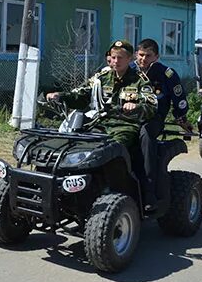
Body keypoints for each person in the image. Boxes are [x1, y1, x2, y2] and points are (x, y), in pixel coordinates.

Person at [47, 40, 158, 208]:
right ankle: (74, 186)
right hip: (99, 123)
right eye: (113, 57)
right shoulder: (101, 78)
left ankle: (114, 189)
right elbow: (80, 95)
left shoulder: (139, 81)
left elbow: (151, 105)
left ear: (129, 59)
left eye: (120, 58)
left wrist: (135, 107)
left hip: (125, 126)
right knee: (78, 146)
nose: (116, 61)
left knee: (112, 149)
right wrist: (60, 96)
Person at [133, 39, 192, 204]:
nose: (143, 59)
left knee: (145, 135)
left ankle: (149, 188)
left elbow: (179, 98)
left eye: (148, 55)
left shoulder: (167, 74)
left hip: (153, 119)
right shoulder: (129, 70)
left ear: (156, 56)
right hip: (126, 118)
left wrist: (182, 119)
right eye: (141, 55)